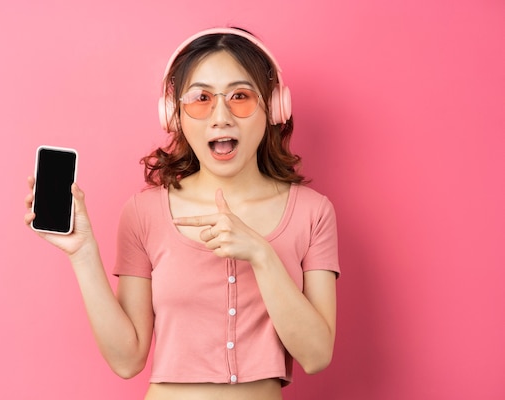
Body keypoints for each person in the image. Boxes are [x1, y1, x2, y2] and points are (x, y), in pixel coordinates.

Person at [24, 27, 340, 400]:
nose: (220, 116)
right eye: (201, 98)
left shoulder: (312, 212)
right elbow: (127, 360)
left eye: (240, 96)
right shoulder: (143, 213)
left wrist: (261, 254)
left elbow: (316, 355)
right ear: (175, 115)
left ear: (273, 108)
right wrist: (83, 255)